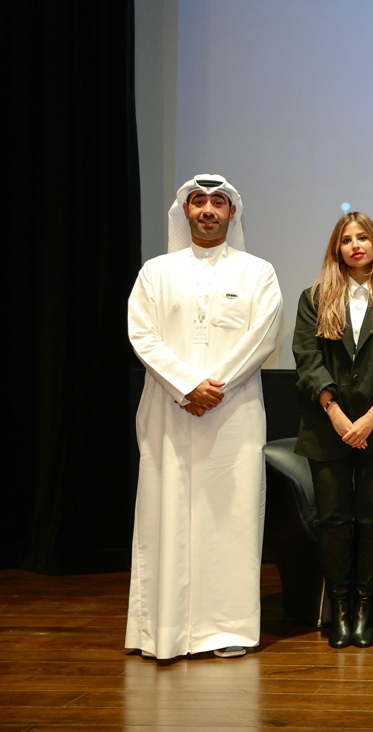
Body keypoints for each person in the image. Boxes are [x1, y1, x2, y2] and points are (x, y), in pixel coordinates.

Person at [126, 174, 283, 659]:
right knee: (165, 515)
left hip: (232, 414)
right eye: (199, 202)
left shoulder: (258, 272)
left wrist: (213, 388)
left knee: (230, 518)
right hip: (168, 411)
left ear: (232, 213)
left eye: (218, 202)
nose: (208, 210)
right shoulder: (155, 272)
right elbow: (142, 334)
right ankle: (162, 632)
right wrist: (185, 386)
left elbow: (262, 336)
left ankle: (227, 630)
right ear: (186, 211)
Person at [292, 212, 373, 649]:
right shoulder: (314, 299)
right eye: (346, 240)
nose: (355, 245)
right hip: (326, 427)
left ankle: (364, 608)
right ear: (337, 249)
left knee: (372, 520)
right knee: (333, 521)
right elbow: (307, 360)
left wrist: (370, 417)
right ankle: (340, 610)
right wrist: (335, 412)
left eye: (363, 238)